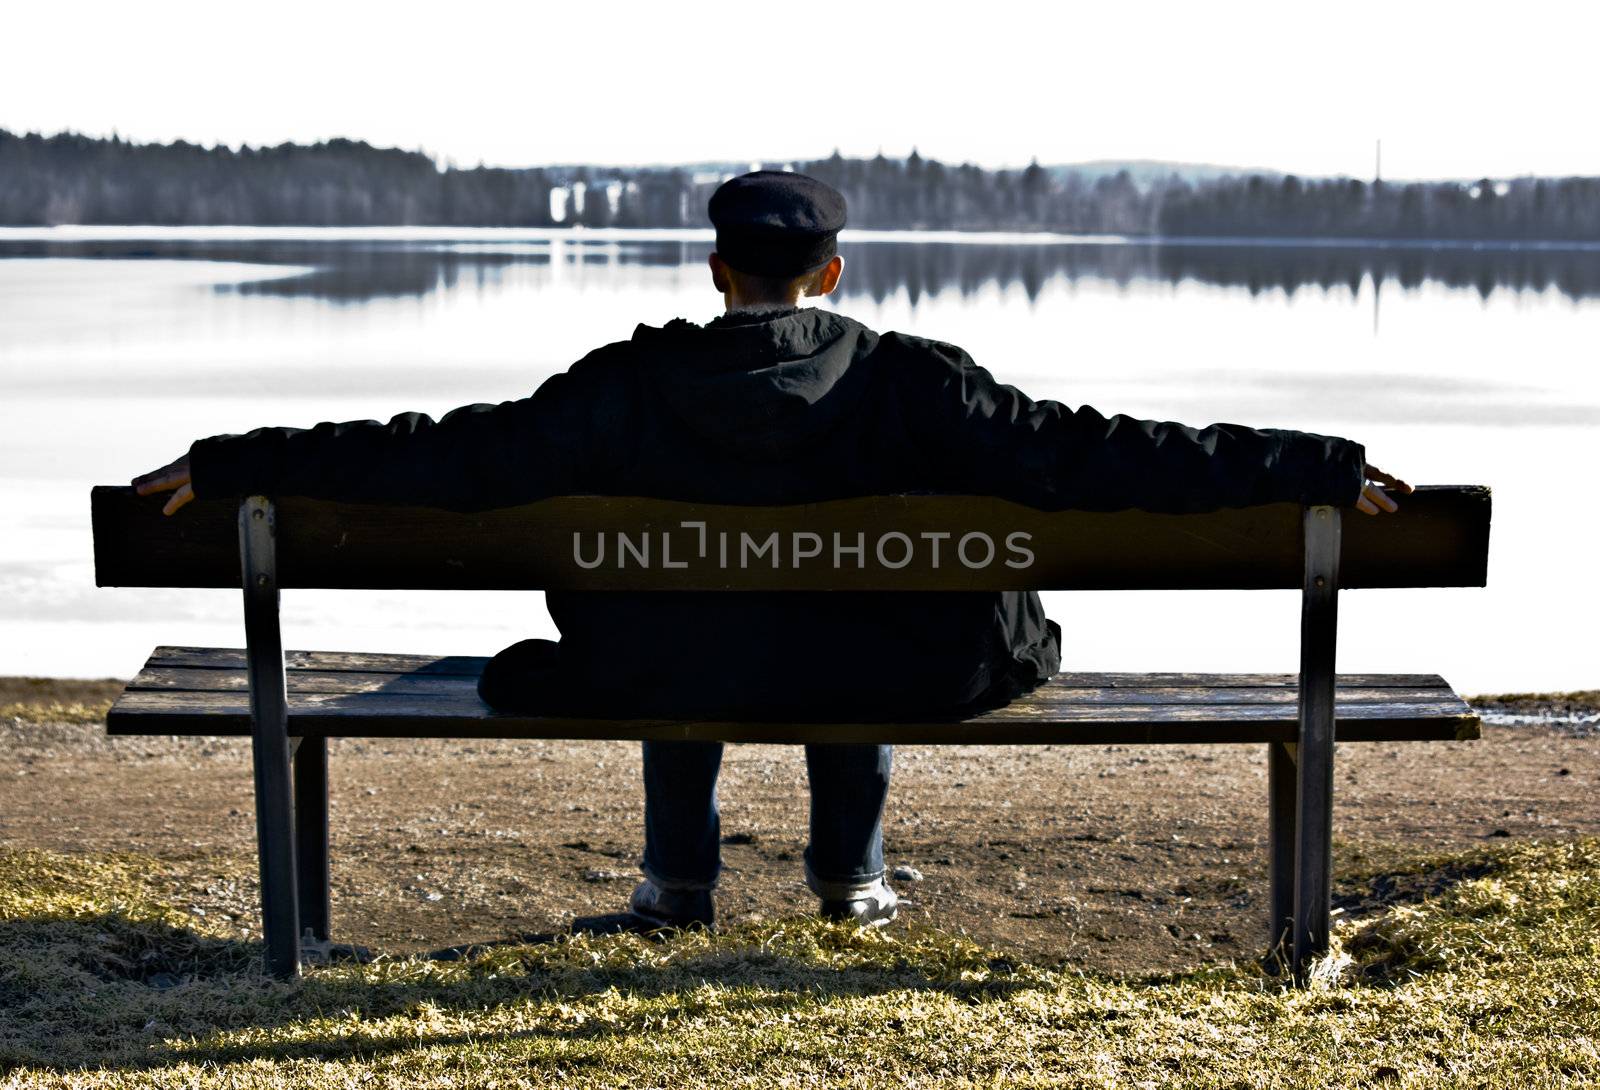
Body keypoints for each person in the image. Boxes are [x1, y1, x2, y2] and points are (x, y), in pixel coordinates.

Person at [134, 170, 1410, 934]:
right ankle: (848, 877)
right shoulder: (921, 385)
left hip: (667, 671)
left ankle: (677, 881)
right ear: (831, 272)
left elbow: (441, 453)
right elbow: (1107, 453)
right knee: (863, 622)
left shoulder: (623, 385)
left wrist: (248, 457)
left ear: (716, 270)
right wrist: (1315, 466)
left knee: (689, 621)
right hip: (888, 673)